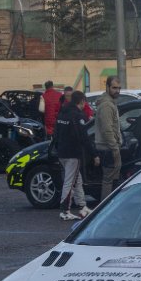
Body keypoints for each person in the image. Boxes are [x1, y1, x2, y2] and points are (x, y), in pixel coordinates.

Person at [53, 89, 92, 220]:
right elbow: (83, 136)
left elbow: (56, 133)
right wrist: (93, 153)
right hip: (73, 153)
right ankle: (65, 211)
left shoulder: (62, 114)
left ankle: (82, 207)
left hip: (62, 153)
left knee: (77, 180)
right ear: (81, 101)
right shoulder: (77, 115)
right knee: (69, 181)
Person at [94, 76, 123, 194]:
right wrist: (115, 148)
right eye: (114, 88)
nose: (117, 91)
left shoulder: (110, 103)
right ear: (107, 87)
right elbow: (107, 130)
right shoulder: (107, 105)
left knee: (112, 180)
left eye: (119, 88)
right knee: (108, 181)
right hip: (108, 148)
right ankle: (106, 209)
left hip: (108, 147)